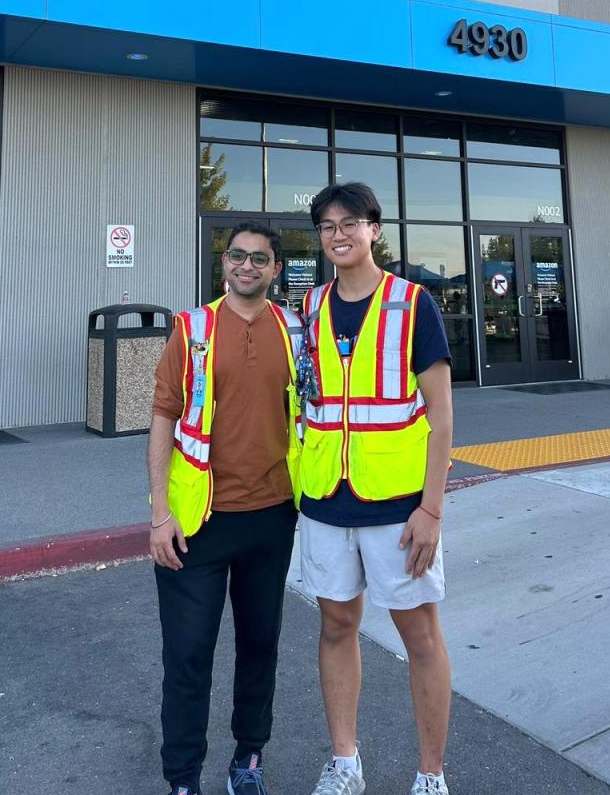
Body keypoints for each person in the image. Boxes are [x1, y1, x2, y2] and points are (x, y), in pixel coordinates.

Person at [299, 183, 454, 795]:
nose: (338, 234)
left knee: (419, 635)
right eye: (327, 226)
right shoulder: (308, 309)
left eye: (350, 223)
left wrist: (432, 510)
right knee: (336, 626)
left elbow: (441, 417)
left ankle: (431, 774)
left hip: (398, 506)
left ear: (374, 230)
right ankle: (345, 763)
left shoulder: (413, 304)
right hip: (325, 500)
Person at [148, 221, 304, 795]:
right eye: (237, 256)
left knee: (260, 646)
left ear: (275, 268)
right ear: (224, 264)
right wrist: (160, 512)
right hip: (199, 524)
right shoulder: (192, 329)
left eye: (259, 259)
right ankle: (183, 778)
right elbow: (163, 414)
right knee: (188, 655)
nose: (247, 266)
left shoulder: (294, 329)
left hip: (272, 516)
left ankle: (249, 761)